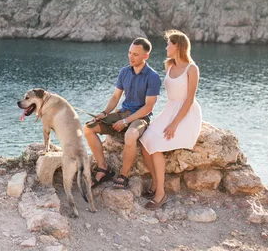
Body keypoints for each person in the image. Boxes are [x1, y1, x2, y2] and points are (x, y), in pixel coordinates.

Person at [84, 38, 161, 190]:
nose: (131, 57)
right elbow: (115, 97)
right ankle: (103, 168)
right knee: (89, 127)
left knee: (130, 135)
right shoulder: (124, 72)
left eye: (136, 54)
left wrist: (126, 122)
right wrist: (104, 113)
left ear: (146, 56)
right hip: (122, 113)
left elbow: (148, 107)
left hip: (140, 117)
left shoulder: (153, 77)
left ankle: (123, 175)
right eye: (129, 53)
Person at [139, 30, 202, 210]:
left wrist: (174, 124)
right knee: (145, 141)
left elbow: (189, 100)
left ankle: (161, 193)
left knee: (157, 145)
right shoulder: (169, 65)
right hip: (169, 110)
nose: (166, 47)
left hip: (186, 114)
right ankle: (155, 182)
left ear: (178, 46)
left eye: (169, 44)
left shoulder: (192, 69)